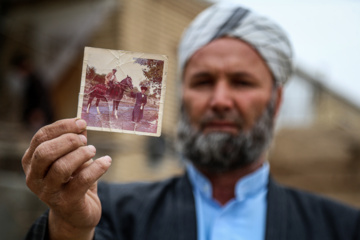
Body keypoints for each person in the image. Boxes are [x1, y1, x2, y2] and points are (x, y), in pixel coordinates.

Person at [22, 3, 360, 240]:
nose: (220, 100)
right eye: (203, 82)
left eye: (242, 82)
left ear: (277, 102)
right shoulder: (105, 212)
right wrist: (70, 229)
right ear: (181, 97)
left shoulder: (342, 228)